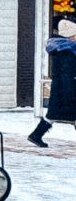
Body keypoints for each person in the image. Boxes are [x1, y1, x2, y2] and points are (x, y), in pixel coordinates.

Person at [29, 17, 76, 146]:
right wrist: (70, 89)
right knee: (57, 114)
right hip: (67, 88)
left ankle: (36, 135)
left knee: (53, 115)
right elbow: (68, 73)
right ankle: (35, 135)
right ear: (70, 35)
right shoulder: (67, 51)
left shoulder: (62, 49)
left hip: (62, 88)